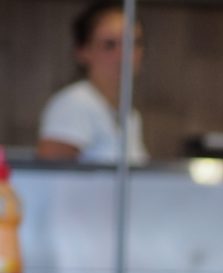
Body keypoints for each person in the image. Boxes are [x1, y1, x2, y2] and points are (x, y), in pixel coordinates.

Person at [36, 1, 148, 163]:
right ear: (83, 51)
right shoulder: (74, 104)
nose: (124, 55)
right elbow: (50, 179)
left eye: (134, 43)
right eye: (110, 45)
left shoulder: (130, 115)